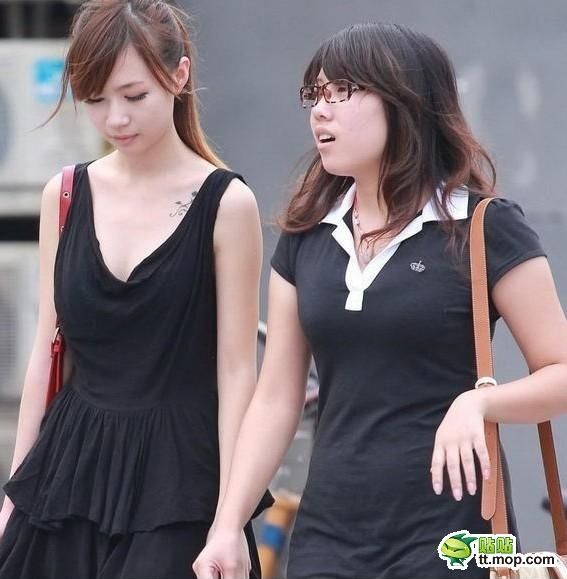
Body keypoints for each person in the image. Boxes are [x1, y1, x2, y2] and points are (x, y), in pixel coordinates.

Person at [193, 22, 567, 579]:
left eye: (341, 92)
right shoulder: (307, 234)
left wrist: (479, 403)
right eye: (314, 94)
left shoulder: (483, 226)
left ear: (404, 101)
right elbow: (276, 398)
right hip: (328, 534)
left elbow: (561, 371)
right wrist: (227, 525)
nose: (320, 112)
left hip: (453, 535)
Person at [0, 1, 272, 578]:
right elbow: (48, 352)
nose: (116, 119)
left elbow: (236, 373)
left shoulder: (226, 204)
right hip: (68, 472)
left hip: (180, 480)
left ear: (179, 76)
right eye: (96, 100)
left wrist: (229, 519)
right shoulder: (64, 195)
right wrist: (15, 494)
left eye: (134, 96)